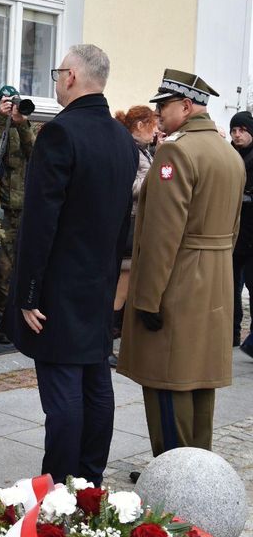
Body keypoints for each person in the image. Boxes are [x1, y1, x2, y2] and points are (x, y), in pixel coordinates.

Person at [8, 44, 138, 485]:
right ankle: (90, 480)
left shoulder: (60, 133)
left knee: (64, 390)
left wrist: (27, 293)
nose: (56, 80)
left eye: (58, 71)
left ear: (71, 77)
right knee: (96, 383)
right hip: (98, 282)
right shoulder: (123, 139)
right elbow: (124, 222)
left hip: (59, 287)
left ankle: (60, 485)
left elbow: (40, 221)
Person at [117, 69, 245, 464]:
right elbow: (233, 227)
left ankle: (174, 471)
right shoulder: (227, 152)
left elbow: (161, 234)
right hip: (214, 279)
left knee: (168, 383)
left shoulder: (176, 151)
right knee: (199, 384)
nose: (159, 114)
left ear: (186, 106)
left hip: (177, 282)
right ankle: (198, 465)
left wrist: (148, 298)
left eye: (164, 106)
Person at [109, 105, 157, 365]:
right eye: (152, 124)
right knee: (120, 291)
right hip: (128, 225)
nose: (156, 130)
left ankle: (115, 344)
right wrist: (156, 179)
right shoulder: (130, 151)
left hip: (136, 224)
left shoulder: (142, 150)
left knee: (125, 290)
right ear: (140, 125)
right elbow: (129, 185)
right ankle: (106, 345)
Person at [0, 85, 36, 343]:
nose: (13, 106)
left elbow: (35, 153)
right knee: (4, 269)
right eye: (8, 102)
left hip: (27, 208)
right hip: (5, 210)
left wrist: (21, 122)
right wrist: (1, 119)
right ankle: (3, 323)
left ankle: (20, 320)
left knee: (24, 266)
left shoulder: (27, 127)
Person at [229, 111, 253, 354]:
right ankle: (233, 335)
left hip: (250, 235)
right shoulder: (229, 155)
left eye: (242, 130)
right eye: (234, 130)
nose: (237, 135)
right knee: (231, 289)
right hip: (234, 236)